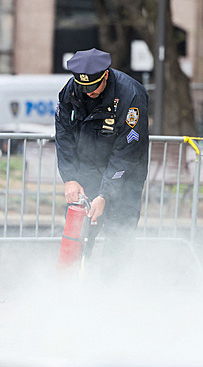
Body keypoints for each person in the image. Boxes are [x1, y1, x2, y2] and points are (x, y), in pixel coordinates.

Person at [55, 48, 149, 269]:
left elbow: (127, 151)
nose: (89, 93)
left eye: (94, 87)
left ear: (105, 75)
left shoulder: (131, 95)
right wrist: (70, 177)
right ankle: (69, 289)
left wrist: (105, 193)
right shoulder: (71, 90)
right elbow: (63, 135)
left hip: (125, 175)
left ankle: (110, 293)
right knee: (78, 236)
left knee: (119, 238)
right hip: (88, 171)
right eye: (84, 87)